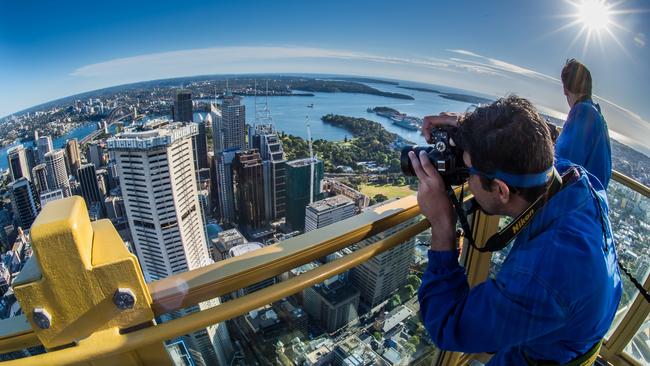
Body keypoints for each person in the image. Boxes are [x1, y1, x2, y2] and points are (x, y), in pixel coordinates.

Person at [413, 96, 621, 365]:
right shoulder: (575, 178)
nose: (464, 174)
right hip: (563, 336)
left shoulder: (542, 276)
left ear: (501, 190)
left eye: (468, 169)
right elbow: (534, 141)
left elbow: (447, 324)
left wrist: (442, 224)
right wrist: (473, 132)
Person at [555, 59, 612, 188]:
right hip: (590, 201)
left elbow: (563, 166)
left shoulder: (583, 112)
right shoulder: (598, 116)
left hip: (575, 200)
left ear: (565, 90)